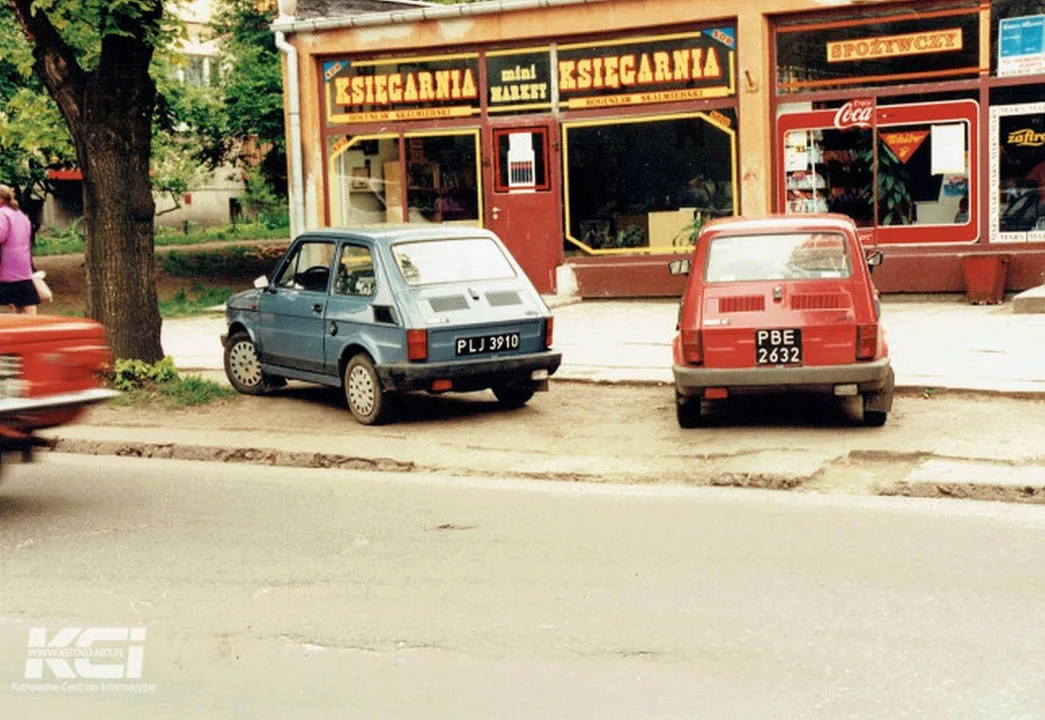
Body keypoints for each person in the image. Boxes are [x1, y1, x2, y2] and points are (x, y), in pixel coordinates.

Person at [0, 184, 41, 314]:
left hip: (7, 264)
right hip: (22, 264)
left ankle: (29, 328)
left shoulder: (2, 214)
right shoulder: (19, 214)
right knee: (24, 300)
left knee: (18, 299)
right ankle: (31, 326)